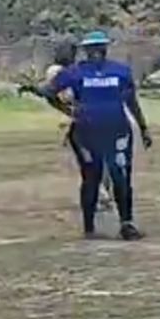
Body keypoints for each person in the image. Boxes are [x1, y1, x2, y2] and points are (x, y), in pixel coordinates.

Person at [37, 31, 151, 240]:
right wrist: (69, 111)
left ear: (105, 49)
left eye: (99, 48)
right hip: (86, 133)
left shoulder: (120, 72)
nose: (96, 53)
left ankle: (126, 224)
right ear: (86, 51)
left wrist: (143, 128)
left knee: (120, 177)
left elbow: (131, 102)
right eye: (92, 49)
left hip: (117, 132)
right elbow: (47, 92)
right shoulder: (75, 72)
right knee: (92, 177)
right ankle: (90, 228)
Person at [23, 41, 116, 211]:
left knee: (96, 160)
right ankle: (100, 195)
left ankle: (101, 195)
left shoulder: (76, 70)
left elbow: (54, 95)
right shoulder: (60, 71)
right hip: (84, 119)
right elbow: (57, 94)